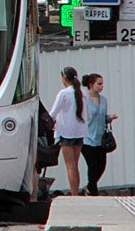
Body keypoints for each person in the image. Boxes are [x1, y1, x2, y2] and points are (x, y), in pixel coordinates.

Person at [50, 66, 89, 196]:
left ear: (64, 78)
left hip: (66, 132)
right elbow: (87, 114)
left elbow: (53, 113)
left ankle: (74, 194)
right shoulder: (83, 93)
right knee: (75, 165)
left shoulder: (64, 93)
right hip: (80, 132)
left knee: (70, 166)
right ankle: (75, 192)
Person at [81, 73, 118, 196]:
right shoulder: (83, 99)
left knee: (101, 166)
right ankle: (93, 191)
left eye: (102, 84)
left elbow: (101, 117)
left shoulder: (103, 100)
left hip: (100, 138)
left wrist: (109, 117)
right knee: (92, 166)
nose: (102, 86)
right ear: (91, 85)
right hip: (87, 138)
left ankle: (89, 187)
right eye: (99, 84)